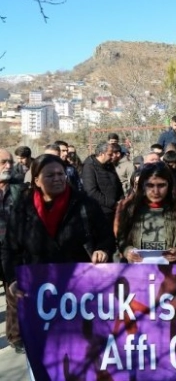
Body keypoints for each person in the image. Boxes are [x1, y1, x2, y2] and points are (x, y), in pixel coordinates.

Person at [1, 155, 115, 363]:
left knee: (81, 353)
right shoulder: (22, 207)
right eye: (50, 175)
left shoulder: (84, 204)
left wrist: (103, 250)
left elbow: (106, 237)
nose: (57, 178)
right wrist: (13, 279)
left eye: (60, 174)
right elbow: (10, 248)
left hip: (78, 291)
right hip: (38, 292)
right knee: (44, 355)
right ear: (36, 179)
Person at [116, 163, 176, 264]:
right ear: (143, 186)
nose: (156, 191)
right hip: (137, 272)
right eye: (150, 185)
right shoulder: (131, 210)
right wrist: (127, 251)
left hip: (171, 272)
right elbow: (121, 239)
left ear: (169, 186)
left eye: (161, 185)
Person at [0, 149, 25, 353]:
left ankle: (16, 338)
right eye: (2, 162)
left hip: (12, 249)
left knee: (13, 293)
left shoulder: (19, 190)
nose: (8, 166)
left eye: (9, 162)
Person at [82, 142, 124, 223]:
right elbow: (91, 191)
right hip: (101, 212)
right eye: (110, 154)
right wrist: (113, 204)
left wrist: (121, 200)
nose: (113, 156)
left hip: (116, 210)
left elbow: (117, 184)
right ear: (102, 154)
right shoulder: (89, 167)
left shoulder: (109, 165)